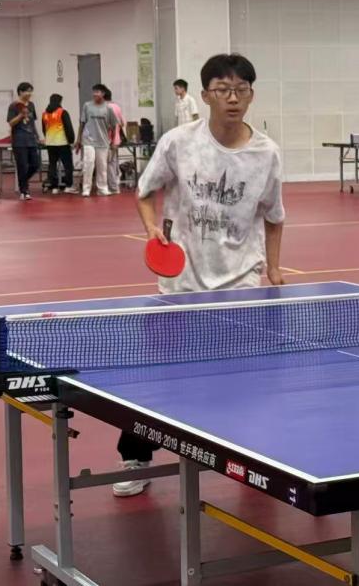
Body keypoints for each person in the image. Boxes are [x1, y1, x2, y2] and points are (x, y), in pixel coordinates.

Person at [113, 54, 285, 497]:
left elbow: (274, 217)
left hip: (241, 284)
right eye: (223, 89)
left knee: (246, 377)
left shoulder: (267, 153)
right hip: (182, 283)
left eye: (242, 89)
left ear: (251, 95)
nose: (233, 98)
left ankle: (252, 457)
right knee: (160, 378)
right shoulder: (178, 142)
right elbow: (145, 192)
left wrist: (274, 267)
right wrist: (151, 229)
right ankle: (136, 457)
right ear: (206, 95)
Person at [75, 84, 117, 197]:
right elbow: (82, 123)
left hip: (103, 142)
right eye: (94, 91)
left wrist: (114, 142)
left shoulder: (109, 108)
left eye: (97, 92)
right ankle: (86, 189)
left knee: (102, 166)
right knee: (88, 164)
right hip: (88, 140)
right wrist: (78, 139)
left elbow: (114, 127)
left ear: (103, 94)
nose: (94, 94)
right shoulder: (87, 106)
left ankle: (102, 189)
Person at [7, 82, 40, 201]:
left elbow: (32, 122)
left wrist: (37, 136)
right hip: (19, 140)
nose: (29, 93)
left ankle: (23, 181)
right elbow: (11, 123)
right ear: (20, 92)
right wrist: (21, 115)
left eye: (31, 91)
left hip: (31, 139)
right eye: (27, 91)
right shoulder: (13, 106)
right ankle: (24, 191)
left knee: (35, 164)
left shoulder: (31, 105)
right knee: (22, 166)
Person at [41, 94, 75, 195]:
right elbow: (68, 128)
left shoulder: (45, 114)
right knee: (68, 165)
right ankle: (68, 186)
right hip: (62, 142)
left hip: (50, 143)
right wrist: (71, 140)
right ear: (60, 101)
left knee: (52, 165)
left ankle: (54, 187)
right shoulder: (62, 112)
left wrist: (48, 139)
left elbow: (44, 129)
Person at [105, 87, 125, 195]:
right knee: (113, 162)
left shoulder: (105, 108)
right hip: (116, 139)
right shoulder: (117, 106)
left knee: (108, 164)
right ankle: (115, 185)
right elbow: (122, 123)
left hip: (106, 139)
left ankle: (112, 187)